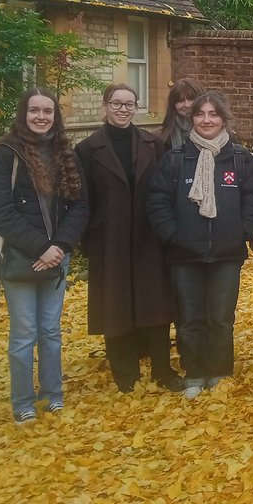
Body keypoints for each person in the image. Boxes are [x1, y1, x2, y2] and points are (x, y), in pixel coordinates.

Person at [0, 87, 89, 423]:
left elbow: (80, 205)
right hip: (22, 258)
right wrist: (42, 248)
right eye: (34, 111)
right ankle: (23, 402)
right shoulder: (2, 155)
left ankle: (52, 395)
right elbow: (0, 212)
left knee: (51, 331)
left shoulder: (64, 153)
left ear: (56, 117)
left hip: (57, 257)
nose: (41, 117)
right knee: (24, 333)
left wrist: (61, 246)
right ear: (22, 114)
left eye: (48, 112)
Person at [146, 92, 253, 399]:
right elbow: (157, 201)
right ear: (192, 119)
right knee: (190, 318)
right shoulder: (176, 160)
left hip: (226, 254)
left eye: (213, 114)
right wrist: (173, 235)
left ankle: (220, 371)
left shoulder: (239, 159)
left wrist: (244, 229)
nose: (207, 119)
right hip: (185, 255)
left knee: (221, 318)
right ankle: (195, 372)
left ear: (223, 119)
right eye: (201, 114)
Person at [76, 83, 183, 394]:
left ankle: (163, 369)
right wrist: (89, 240)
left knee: (156, 305)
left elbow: (165, 190)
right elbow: (83, 198)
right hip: (109, 239)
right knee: (115, 304)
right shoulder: (87, 149)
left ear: (136, 108)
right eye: (117, 103)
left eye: (129, 104)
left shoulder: (153, 143)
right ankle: (125, 374)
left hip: (149, 237)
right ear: (105, 107)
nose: (123, 109)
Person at [158, 77, 203, 150]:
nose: (187, 105)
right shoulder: (161, 138)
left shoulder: (215, 133)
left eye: (191, 99)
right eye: (181, 101)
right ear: (173, 105)